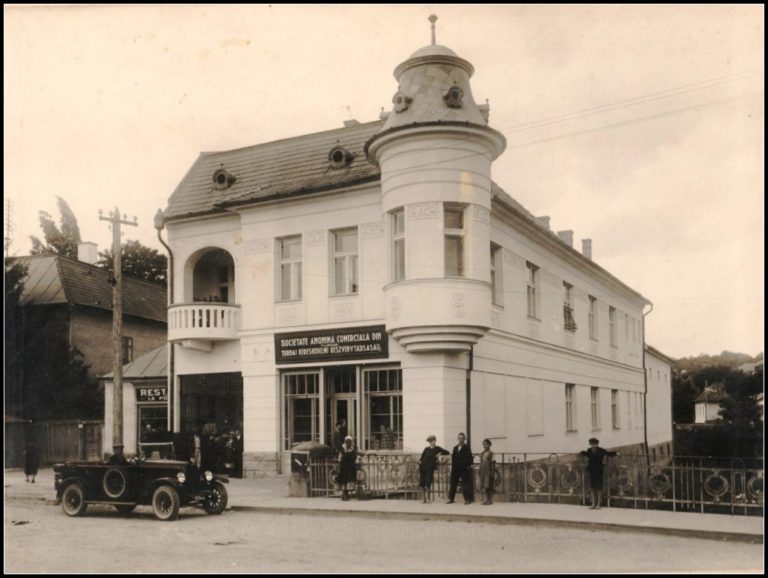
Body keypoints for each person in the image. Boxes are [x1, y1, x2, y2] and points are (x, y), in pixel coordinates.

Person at [580, 437, 619, 509]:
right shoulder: (589, 450)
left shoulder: (601, 450)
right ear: (590, 444)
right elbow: (586, 454)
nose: (593, 446)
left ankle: (598, 504)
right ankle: (593, 504)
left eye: (594, 444)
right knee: (592, 487)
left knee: (599, 488)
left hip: (598, 471)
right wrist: (582, 452)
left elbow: (608, 454)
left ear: (597, 444)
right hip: (591, 471)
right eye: (591, 444)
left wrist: (616, 453)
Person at [418, 435, 449, 503]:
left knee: (428, 482)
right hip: (423, 467)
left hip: (430, 468)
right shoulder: (426, 449)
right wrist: (420, 461)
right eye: (430, 441)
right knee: (422, 483)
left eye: (433, 441)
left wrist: (439, 454)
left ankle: (428, 498)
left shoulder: (437, 448)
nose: (432, 442)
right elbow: (422, 457)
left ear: (435, 441)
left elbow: (447, 452)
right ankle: (424, 499)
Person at [447, 432, 474, 505]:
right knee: (453, 484)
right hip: (455, 469)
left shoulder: (467, 447)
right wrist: (451, 468)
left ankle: (467, 500)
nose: (460, 440)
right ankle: (451, 499)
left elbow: (470, 457)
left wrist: (469, 466)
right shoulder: (455, 448)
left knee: (465, 484)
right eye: (459, 438)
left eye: (462, 438)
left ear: (464, 439)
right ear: (457, 439)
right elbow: (453, 459)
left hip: (464, 469)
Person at [337, 435, 364, 501]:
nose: (348, 443)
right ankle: (344, 494)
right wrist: (339, 464)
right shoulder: (343, 449)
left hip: (351, 466)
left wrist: (360, 456)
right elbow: (340, 458)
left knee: (349, 480)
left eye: (350, 441)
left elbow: (358, 454)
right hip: (345, 466)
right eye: (347, 441)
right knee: (344, 480)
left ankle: (346, 493)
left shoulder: (353, 448)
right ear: (345, 442)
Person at [479, 439, 495, 505]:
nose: (485, 446)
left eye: (486, 444)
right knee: (485, 486)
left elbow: (493, 463)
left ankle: (490, 500)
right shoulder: (482, 453)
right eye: (484, 444)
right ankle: (486, 500)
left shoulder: (491, 453)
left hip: (488, 471)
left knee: (489, 486)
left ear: (489, 445)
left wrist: (492, 472)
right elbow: (481, 462)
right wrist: (480, 470)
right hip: (483, 471)